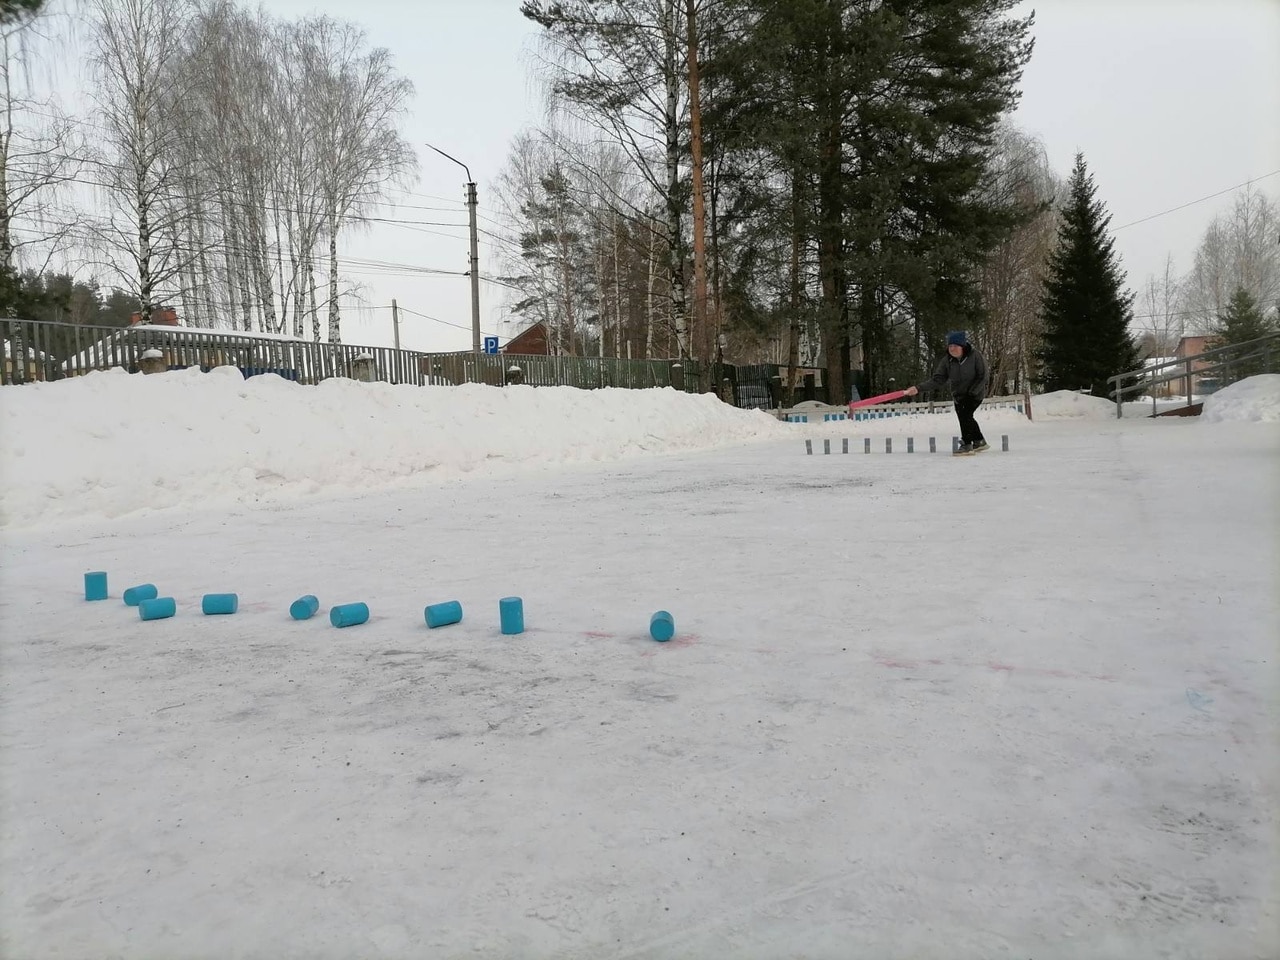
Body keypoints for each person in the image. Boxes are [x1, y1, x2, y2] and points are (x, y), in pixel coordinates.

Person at [903, 330, 989, 455]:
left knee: (965, 415)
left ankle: (967, 444)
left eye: (955, 346)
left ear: (962, 346)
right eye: (950, 346)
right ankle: (979, 440)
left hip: (975, 393)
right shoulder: (947, 361)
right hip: (958, 395)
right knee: (965, 417)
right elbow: (938, 380)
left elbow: (983, 376)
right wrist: (918, 388)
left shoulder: (975, 356)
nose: (952, 349)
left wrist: (972, 392)